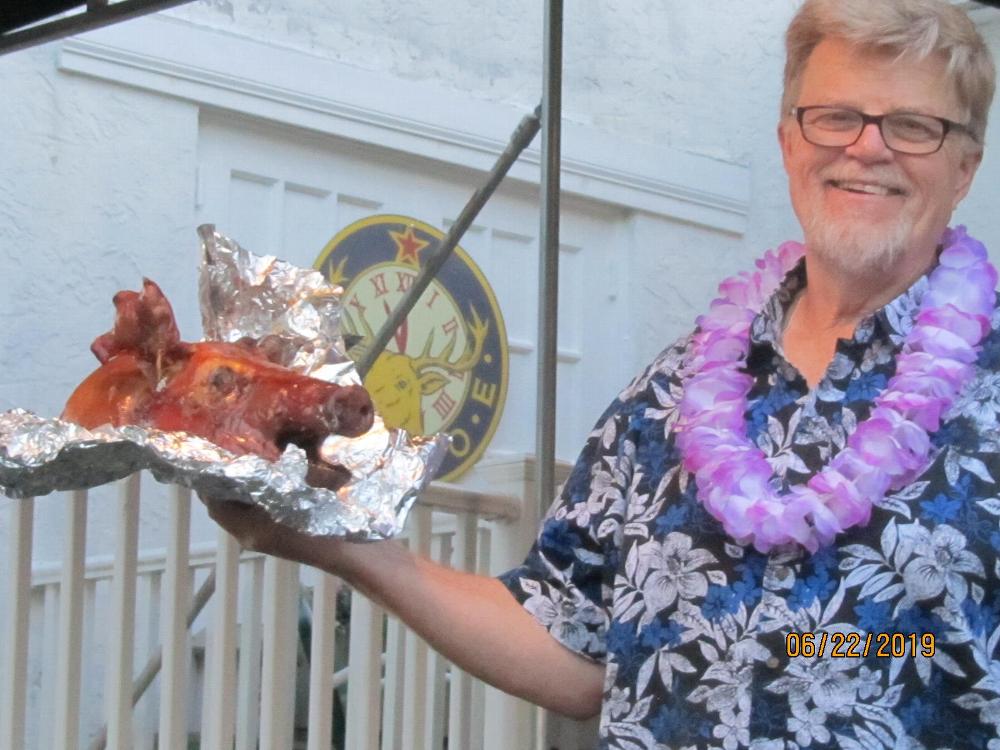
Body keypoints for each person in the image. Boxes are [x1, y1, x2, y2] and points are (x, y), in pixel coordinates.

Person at [207, 0, 1000, 746]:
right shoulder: (674, 389)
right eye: (834, 116)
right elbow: (571, 642)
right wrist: (338, 548)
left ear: (965, 167)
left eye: (913, 125)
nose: (867, 147)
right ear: (791, 143)